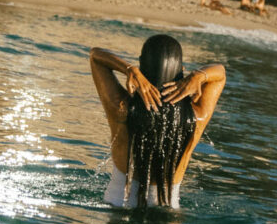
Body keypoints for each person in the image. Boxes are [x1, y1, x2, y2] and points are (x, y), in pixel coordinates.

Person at [90, 35, 225, 209]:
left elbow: (96, 56)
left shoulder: (122, 109)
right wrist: (198, 76)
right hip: (168, 213)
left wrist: (129, 69)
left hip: (118, 207)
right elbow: (220, 73)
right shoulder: (195, 118)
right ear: (182, 70)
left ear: (141, 68)